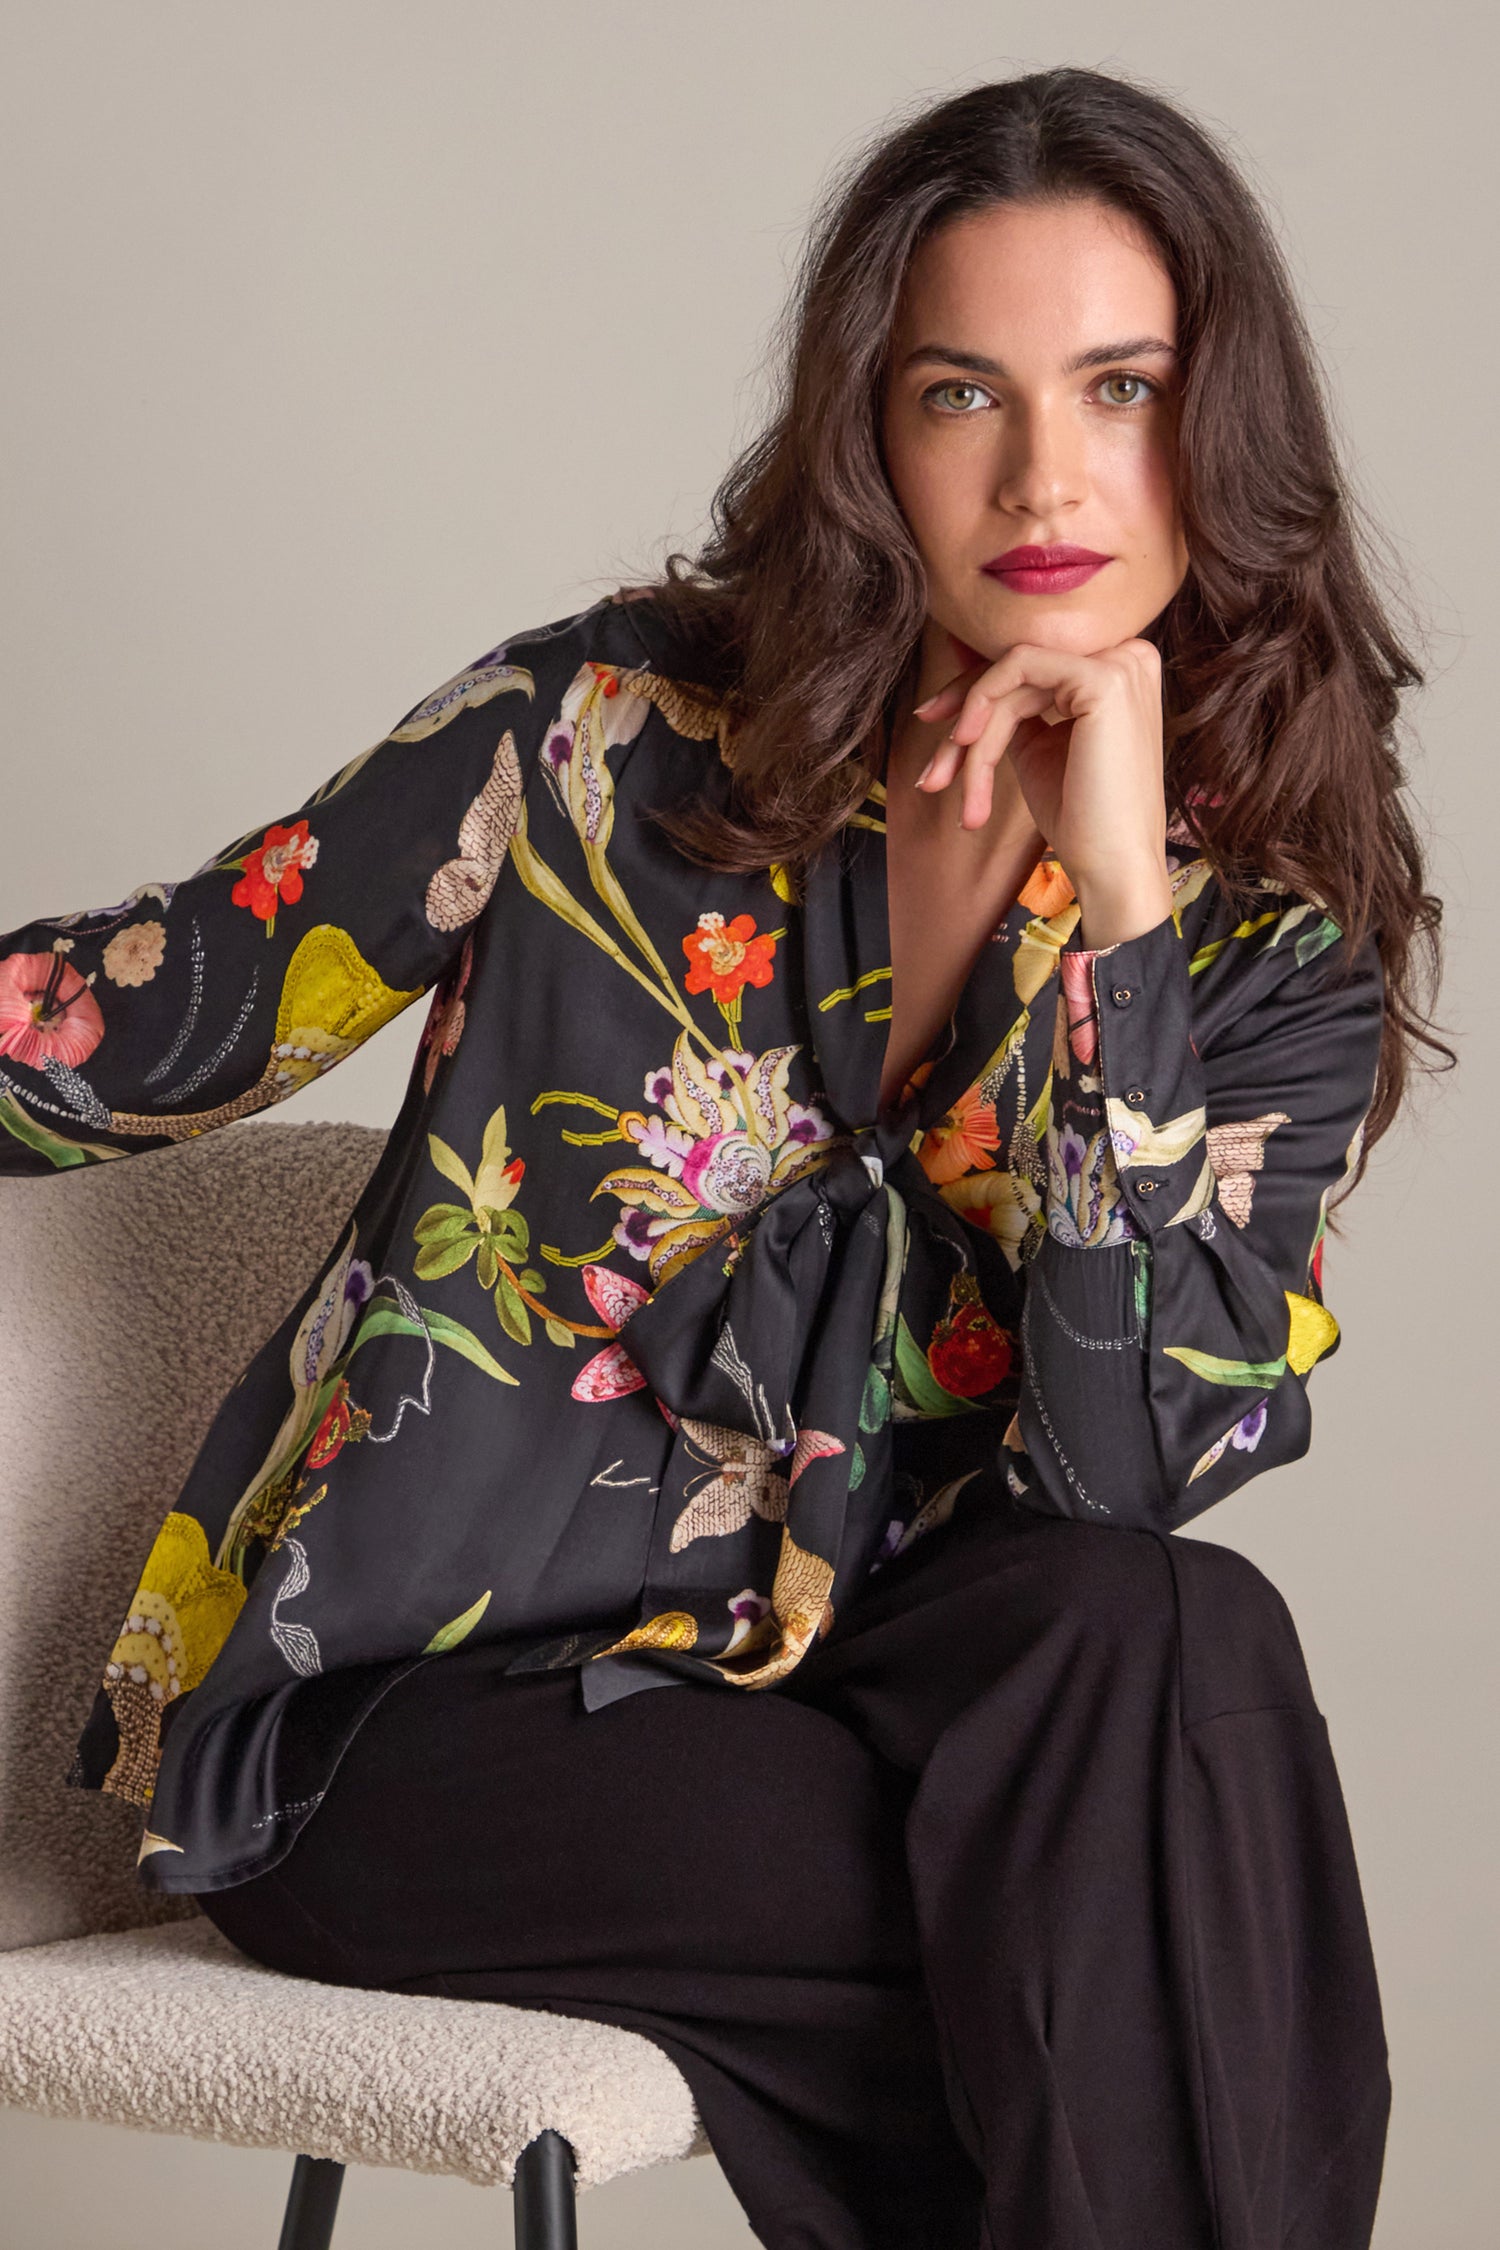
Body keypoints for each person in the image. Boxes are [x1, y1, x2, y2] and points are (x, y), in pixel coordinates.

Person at [1, 65, 1449, 2250]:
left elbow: (1122, 1477)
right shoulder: (596, 738)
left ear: (1217, 436)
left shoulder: (1263, 957)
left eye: (1123, 390)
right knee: (1133, 1934)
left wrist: (1124, 915)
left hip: (872, 1703)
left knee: (1179, 1644)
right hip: (425, 1731)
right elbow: (128, 1027)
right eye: (964, 391)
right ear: (873, 428)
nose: (1046, 475)